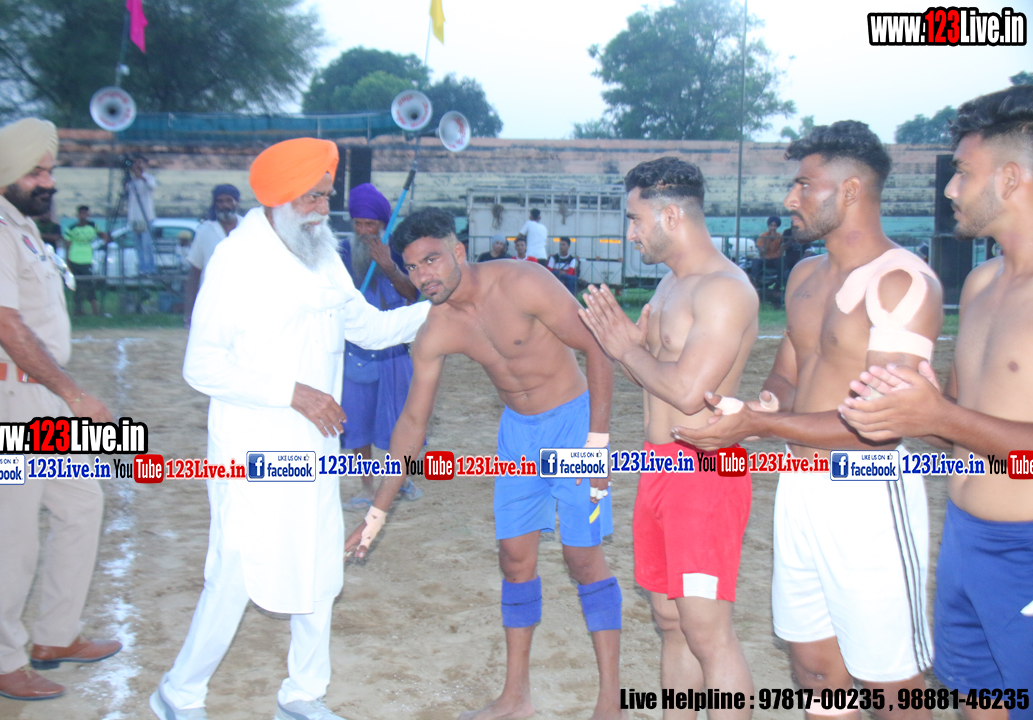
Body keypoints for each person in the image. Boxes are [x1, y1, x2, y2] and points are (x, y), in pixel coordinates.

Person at [151, 138, 430, 720]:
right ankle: (178, 693)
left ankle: (303, 694)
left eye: (326, 195)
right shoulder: (236, 260)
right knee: (236, 568)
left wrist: (444, 306)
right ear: (278, 199)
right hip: (253, 445)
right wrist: (293, 393)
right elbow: (201, 365)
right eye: (312, 197)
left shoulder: (322, 255)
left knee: (318, 563)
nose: (323, 208)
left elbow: (370, 329)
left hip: (314, 444)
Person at [675, 121, 943, 719]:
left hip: (869, 490)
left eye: (803, 184)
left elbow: (878, 425)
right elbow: (787, 375)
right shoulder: (804, 276)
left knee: (891, 682)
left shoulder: (901, 283)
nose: (790, 198)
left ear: (850, 191)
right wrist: (761, 405)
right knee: (813, 668)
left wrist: (760, 427)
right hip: (800, 486)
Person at [344, 207, 625, 720]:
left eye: (432, 260)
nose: (423, 276)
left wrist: (597, 445)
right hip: (517, 438)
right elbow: (412, 422)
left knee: (582, 558)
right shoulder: (436, 329)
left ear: (457, 251)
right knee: (514, 560)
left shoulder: (523, 282)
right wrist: (377, 511)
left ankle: (611, 702)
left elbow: (598, 347)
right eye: (413, 268)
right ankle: (516, 698)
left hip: (574, 426)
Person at [839, 86, 1033, 713]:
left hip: (1027, 547)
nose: (950, 188)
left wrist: (939, 414)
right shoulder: (979, 283)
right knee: (979, 701)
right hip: (965, 538)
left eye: (963, 172)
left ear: (1010, 178)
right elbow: (960, 424)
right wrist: (903, 409)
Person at [579, 157, 758, 720]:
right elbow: (654, 374)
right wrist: (628, 348)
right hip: (660, 468)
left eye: (635, 219)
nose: (631, 233)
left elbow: (686, 391)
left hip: (706, 471)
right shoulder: (670, 283)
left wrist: (626, 350)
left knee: (708, 632)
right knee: (669, 619)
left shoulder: (724, 290)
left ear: (671, 215)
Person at [0, 118, 118, 702]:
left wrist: (61, 395)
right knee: (12, 531)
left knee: (81, 505)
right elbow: (4, 324)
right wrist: (73, 394)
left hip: (40, 395)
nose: (49, 182)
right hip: (3, 398)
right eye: (37, 173)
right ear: (5, 176)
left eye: (49, 170)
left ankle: (54, 636)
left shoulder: (21, 228)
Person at [337, 182, 423, 510]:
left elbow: (413, 295)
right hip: (354, 352)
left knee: (399, 418)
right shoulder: (341, 253)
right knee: (356, 420)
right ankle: (366, 487)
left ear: (383, 224)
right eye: (358, 224)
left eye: (370, 224)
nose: (363, 231)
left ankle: (400, 480)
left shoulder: (399, 252)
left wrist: (388, 265)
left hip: (393, 350)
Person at [184, 184, 242, 327]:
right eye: (220, 201)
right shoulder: (204, 231)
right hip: (213, 301)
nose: (224, 205)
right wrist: (190, 311)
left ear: (237, 202)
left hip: (243, 299)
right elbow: (195, 272)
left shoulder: (248, 226)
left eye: (229, 200)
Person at [63, 205, 104, 317]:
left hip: (86, 260)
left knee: (89, 285)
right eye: (80, 213)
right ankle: (78, 311)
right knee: (77, 286)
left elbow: (102, 235)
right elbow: (67, 245)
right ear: (77, 215)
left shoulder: (93, 226)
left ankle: (95, 311)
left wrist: (106, 237)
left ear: (88, 214)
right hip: (74, 259)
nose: (83, 216)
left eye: (85, 213)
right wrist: (67, 260)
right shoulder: (71, 228)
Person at [125, 153, 157, 275]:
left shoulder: (149, 178)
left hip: (146, 216)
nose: (137, 165)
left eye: (140, 162)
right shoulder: (131, 180)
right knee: (138, 246)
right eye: (136, 162)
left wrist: (141, 177)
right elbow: (126, 190)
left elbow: (152, 187)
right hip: (134, 217)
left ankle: (149, 269)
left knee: (146, 245)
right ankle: (141, 269)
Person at [753, 215, 784, 284]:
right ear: (768, 226)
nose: (772, 228)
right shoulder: (762, 236)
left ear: (777, 227)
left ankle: (779, 284)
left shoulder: (779, 237)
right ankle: (755, 282)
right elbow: (762, 252)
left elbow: (781, 249)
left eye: (774, 226)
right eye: (771, 225)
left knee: (782, 263)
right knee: (756, 262)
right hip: (765, 259)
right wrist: (769, 240)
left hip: (775, 259)